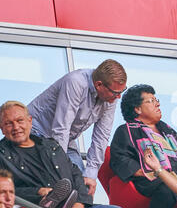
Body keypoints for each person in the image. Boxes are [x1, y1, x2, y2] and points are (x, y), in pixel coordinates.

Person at [0, 101, 124, 208]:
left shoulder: (50, 145)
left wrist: (80, 203)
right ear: (2, 128)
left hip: (72, 204)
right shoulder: (2, 155)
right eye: (8, 123)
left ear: (30, 121)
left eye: (20, 120)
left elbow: (75, 173)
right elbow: (4, 192)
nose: (16, 127)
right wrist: (38, 192)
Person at [27, 59, 127, 195]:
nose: (119, 97)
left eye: (122, 91)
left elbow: (102, 136)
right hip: (37, 132)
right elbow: (61, 127)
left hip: (65, 140)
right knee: (58, 181)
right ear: (99, 85)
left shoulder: (110, 96)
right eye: (116, 92)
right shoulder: (76, 82)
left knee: (81, 187)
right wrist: (60, 169)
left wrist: (91, 174)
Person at [110, 84, 177, 208]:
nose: (157, 105)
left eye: (157, 101)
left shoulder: (169, 131)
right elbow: (119, 159)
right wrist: (148, 172)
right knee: (166, 189)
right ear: (137, 109)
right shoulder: (127, 130)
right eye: (151, 101)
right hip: (150, 181)